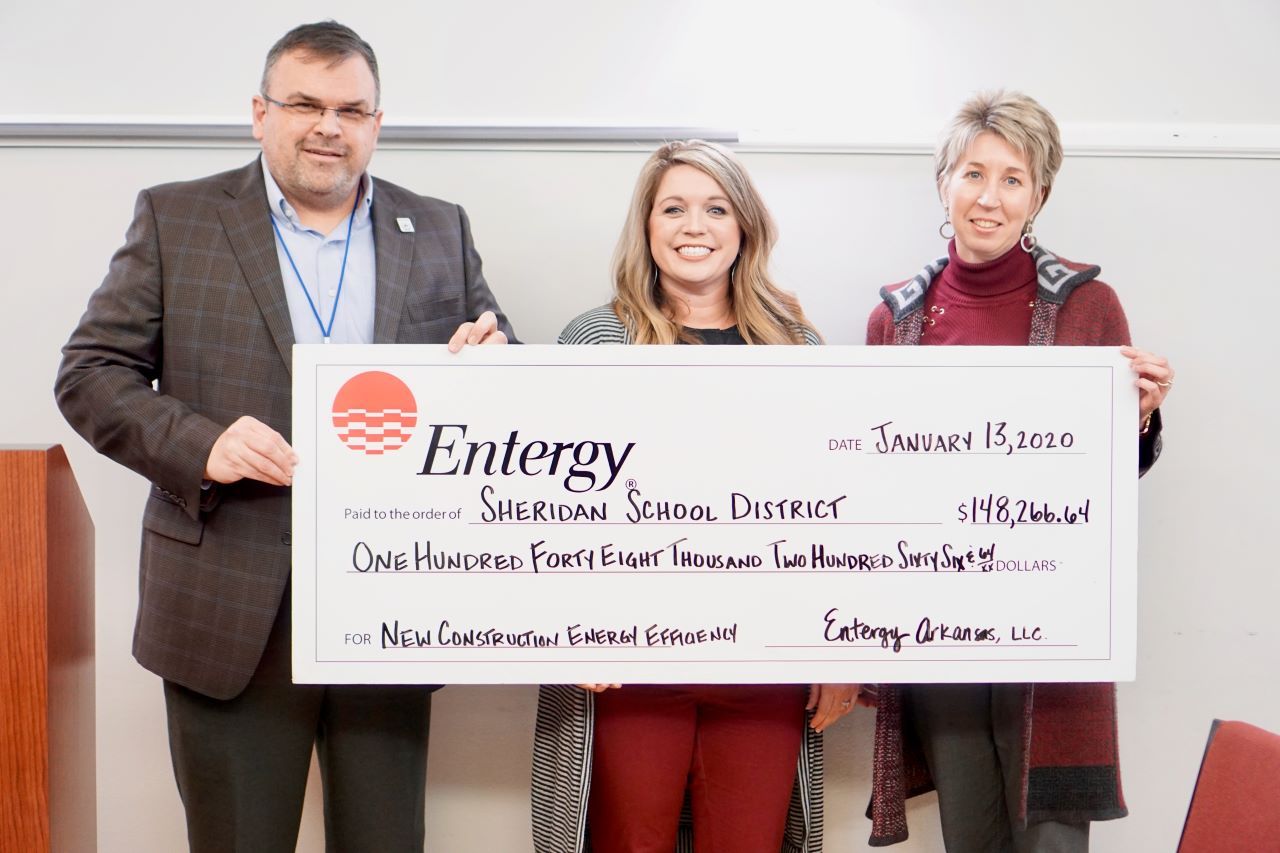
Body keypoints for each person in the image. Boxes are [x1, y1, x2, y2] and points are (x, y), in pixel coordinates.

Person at [55, 21, 513, 853]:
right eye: (304, 103)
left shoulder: (439, 226)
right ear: (260, 112)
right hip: (229, 600)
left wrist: (493, 362)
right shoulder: (178, 218)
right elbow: (91, 374)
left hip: (390, 598)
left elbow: (494, 358)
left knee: (384, 840)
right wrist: (199, 442)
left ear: (377, 123)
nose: (327, 126)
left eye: (351, 108)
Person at [864, 90, 1173, 851]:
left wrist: (1137, 415)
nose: (990, 197)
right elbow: (870, 472)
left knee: (1052, 837)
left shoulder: (1090, 306)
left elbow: (1107, 479)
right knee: (970, 831)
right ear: (944, 183)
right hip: (942, 618)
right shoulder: (894, 319)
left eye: (1012, 178)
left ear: (1039, 194)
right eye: (973, 174)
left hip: (1053, 622)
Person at [531, 139, 858, 853]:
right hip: (628, 669)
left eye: (715, 208)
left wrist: (842, 648)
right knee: (628, 841)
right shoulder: (595, 342)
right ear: (646, 227)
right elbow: (548, 512)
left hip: (764, 667)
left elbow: (835, 509)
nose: (694, 226)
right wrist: (567, 628)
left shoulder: (795, 345)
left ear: (744, 226)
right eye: (672, 208)